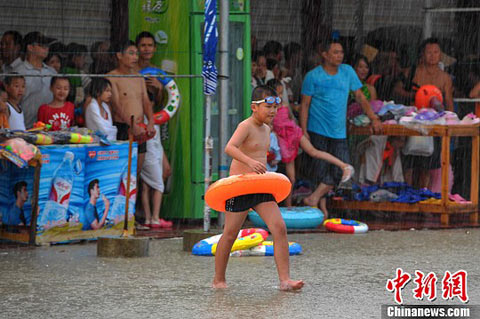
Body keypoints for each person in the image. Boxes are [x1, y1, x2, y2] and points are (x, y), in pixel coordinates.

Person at [212, 85, 304, 291]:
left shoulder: (267, 129)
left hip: (261, 185)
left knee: (279, 227)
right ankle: (218, 279)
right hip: (240, 186)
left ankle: (285, 280)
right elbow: (230, 147)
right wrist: (249, 162)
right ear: (254, 107)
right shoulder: (246, 126)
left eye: (275, 106)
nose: (272, 111)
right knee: (230, 234)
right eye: (267, 106)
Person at [299, 40, 381, 218]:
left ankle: (313, 199)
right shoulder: (313, 76)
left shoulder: (347, 72)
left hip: (339, 132)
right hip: (317, 129)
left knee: (342, 170)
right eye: (335, 52)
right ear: (325, 55)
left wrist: (373, 117)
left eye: (341, 52)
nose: (339, 56)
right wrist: (303, 130)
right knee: (320, 171)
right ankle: (320, 211)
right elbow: (305, 104)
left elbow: (359, 96)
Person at [269, 79, 353, 206]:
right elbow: (269, 126)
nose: (280, 96)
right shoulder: (270, 110)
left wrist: (300, 129)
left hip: (294, 133)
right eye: (278, 94)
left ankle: (343, 165)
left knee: (314, 152)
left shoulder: (284, 106)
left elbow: (290, 119)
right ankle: (289, 207)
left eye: (282, 93)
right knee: (291, 178)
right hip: (284, 142)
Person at [403, 38, 454, 189]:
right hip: (413, 123)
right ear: (422, 54)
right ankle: (407, 199)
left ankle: (422, 199)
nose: (432, 55)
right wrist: (416, 97)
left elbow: (449, 103)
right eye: (429, 52)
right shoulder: (413, 72)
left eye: (436, 52)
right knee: (410, 164)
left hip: (434, 124)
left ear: (441, 55)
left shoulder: (445, 78)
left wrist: (451, 122)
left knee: (427, 166)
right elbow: (397, 89)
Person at [107, 40, 155, 176]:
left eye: (136, 54)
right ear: (119, 55)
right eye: (131, 53)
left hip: (141, 128)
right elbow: (116, 105)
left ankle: (135, 198)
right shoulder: (112, 77)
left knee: (137, 171)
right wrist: (131, 124)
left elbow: (145, 101)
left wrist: (151, 122)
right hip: (123, 127)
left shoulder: (139, 77)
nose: (135, 57)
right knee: (122, 172)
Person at [13, 32, 57, 128]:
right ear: (30, 47)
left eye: (47, 45)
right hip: (25, 128)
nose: (46, 48)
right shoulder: (19, 72)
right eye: (41, 45)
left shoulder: (52, 72)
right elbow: (12, 101)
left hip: (50, 128)